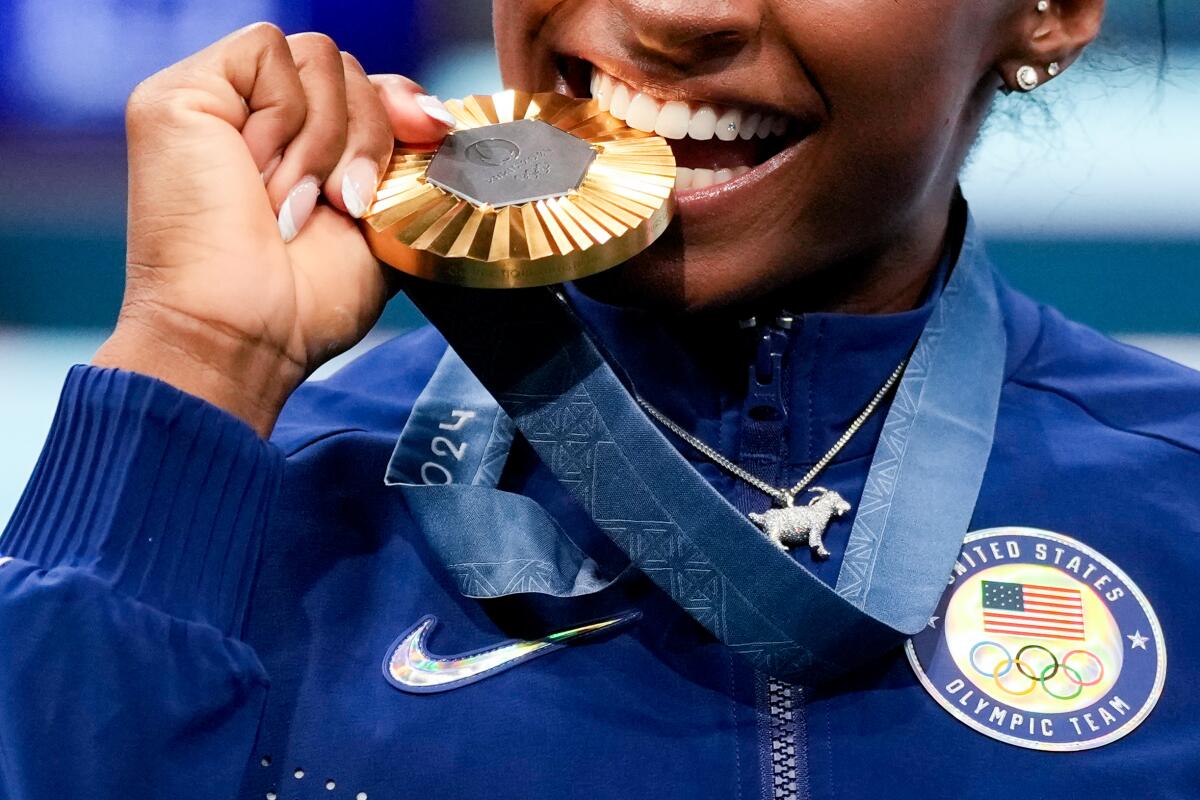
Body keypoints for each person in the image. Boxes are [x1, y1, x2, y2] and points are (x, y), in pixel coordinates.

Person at [1, 1, 1196, 798]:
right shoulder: (250, 500)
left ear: (1051, 9)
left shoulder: (1178, 499)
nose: (678, 13)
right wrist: (198, 358)